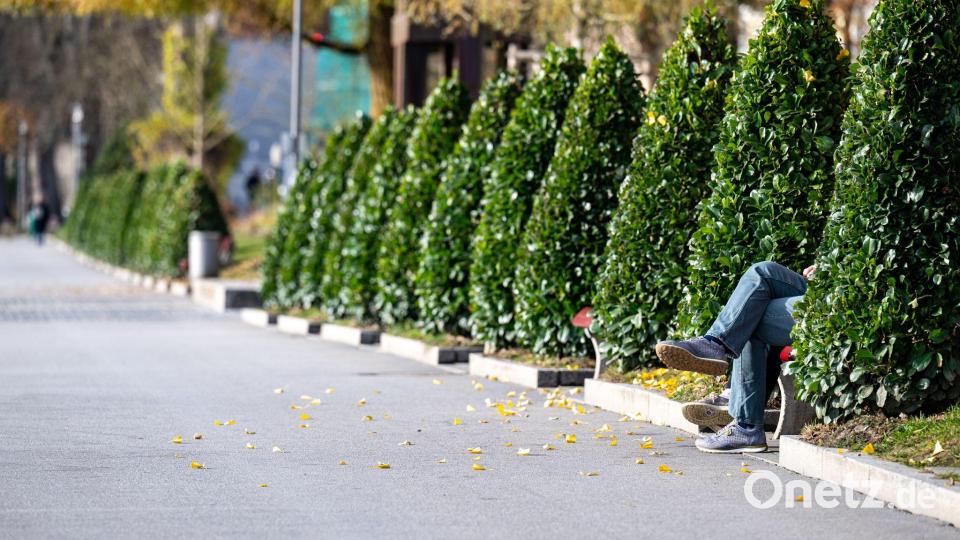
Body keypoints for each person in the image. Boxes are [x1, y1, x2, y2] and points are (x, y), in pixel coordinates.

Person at [655, 261, 816, 453]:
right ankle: (714, 345)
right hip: (824, 286)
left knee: (751, 314)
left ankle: (745, 423)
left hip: (840, 296)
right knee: (763, 271)